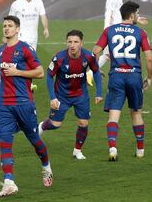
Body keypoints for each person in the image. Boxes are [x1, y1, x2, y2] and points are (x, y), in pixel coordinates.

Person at [0, 15, 53, 197]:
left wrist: (18, 72)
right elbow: (4, 74)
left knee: (34, 140)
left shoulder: (25, 49)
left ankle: (46, 165)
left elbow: (39, 72)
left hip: (24, 103)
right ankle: (9, 182)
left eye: (10, 26)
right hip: (4, 104)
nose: (6, 28)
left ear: (17, 29)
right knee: (5, 141)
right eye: (4, 25)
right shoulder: (1, 50)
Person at [93, 1, 152, 161]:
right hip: (134, 76)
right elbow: (149, 58)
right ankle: (140, 151)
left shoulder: (109, 30)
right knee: (136, 112)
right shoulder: (140, 32)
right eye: (138, 14)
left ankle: (112, 147)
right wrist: (149, 77)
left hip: (116, 76)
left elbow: (95, 51)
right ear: (132, 15)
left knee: (114, 115)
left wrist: (96, 69)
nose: (138, 16)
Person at [38, 30, 103, 160]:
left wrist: (99, 93)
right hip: (61, 96)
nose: (72, 45)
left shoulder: (89, 56)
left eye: (76, 42)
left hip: (81, 95)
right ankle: (41, 126)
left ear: (81, 43)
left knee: (83, 123)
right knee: (55, 124)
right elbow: (50, 76)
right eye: (70, 42)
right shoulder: (59, 58)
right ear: (66, 42)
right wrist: (52, 97)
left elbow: (96, 71)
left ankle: (77, 151)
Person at [86, 0, 148, 86]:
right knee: (114, 55)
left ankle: (90, 73)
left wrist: (137, 19)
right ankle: (89, 73)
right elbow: (108, 14)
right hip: (114, 32)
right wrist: (107, 31)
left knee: (108, 55)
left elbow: (122, 15)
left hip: (117, 31)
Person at [9, 0, 49, 91]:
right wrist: (9, 35)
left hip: (33, 39)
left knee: (30, 63)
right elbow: (10, 20)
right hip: (20, 37)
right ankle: (15, 85)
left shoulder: (38, 2)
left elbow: (43, 16)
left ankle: (27, 84)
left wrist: (46, 28)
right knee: (18, 61)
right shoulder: (16, 4)